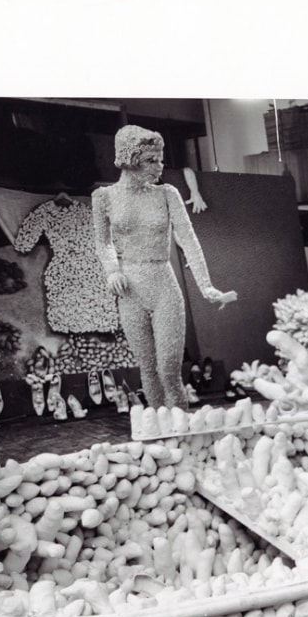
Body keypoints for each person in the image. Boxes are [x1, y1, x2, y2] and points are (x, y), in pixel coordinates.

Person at [92, 125, 236, 410]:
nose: (159, 166)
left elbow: (189, 239)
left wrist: (206, 285)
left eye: (160, 159)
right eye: (151, 160)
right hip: (130, 289)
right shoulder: (104, 197)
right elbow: (103, 242)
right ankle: (158, 424)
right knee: (147, 368)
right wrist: (112, 270)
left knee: (169, 368)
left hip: (163, 284)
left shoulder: (167, 194)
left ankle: (179, 422)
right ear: (130, 159)